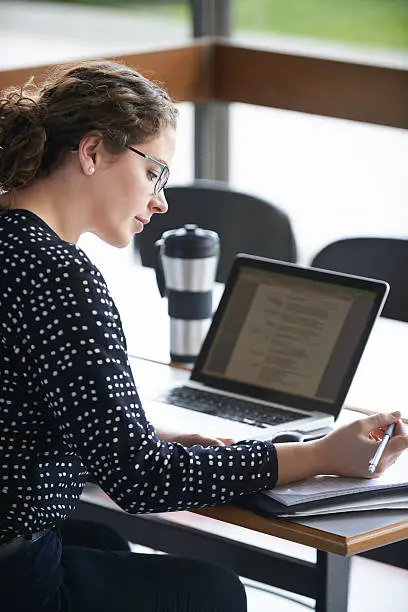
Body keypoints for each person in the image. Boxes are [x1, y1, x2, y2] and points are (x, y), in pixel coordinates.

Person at [0, 60, 407, 612]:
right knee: (212, 592)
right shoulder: (63, 279)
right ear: (92, 153)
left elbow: (25, 414)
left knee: (105, 543)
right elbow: (142, 483)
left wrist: (148, 435)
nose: (161, 201)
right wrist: (318, 455)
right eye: (154, 172)